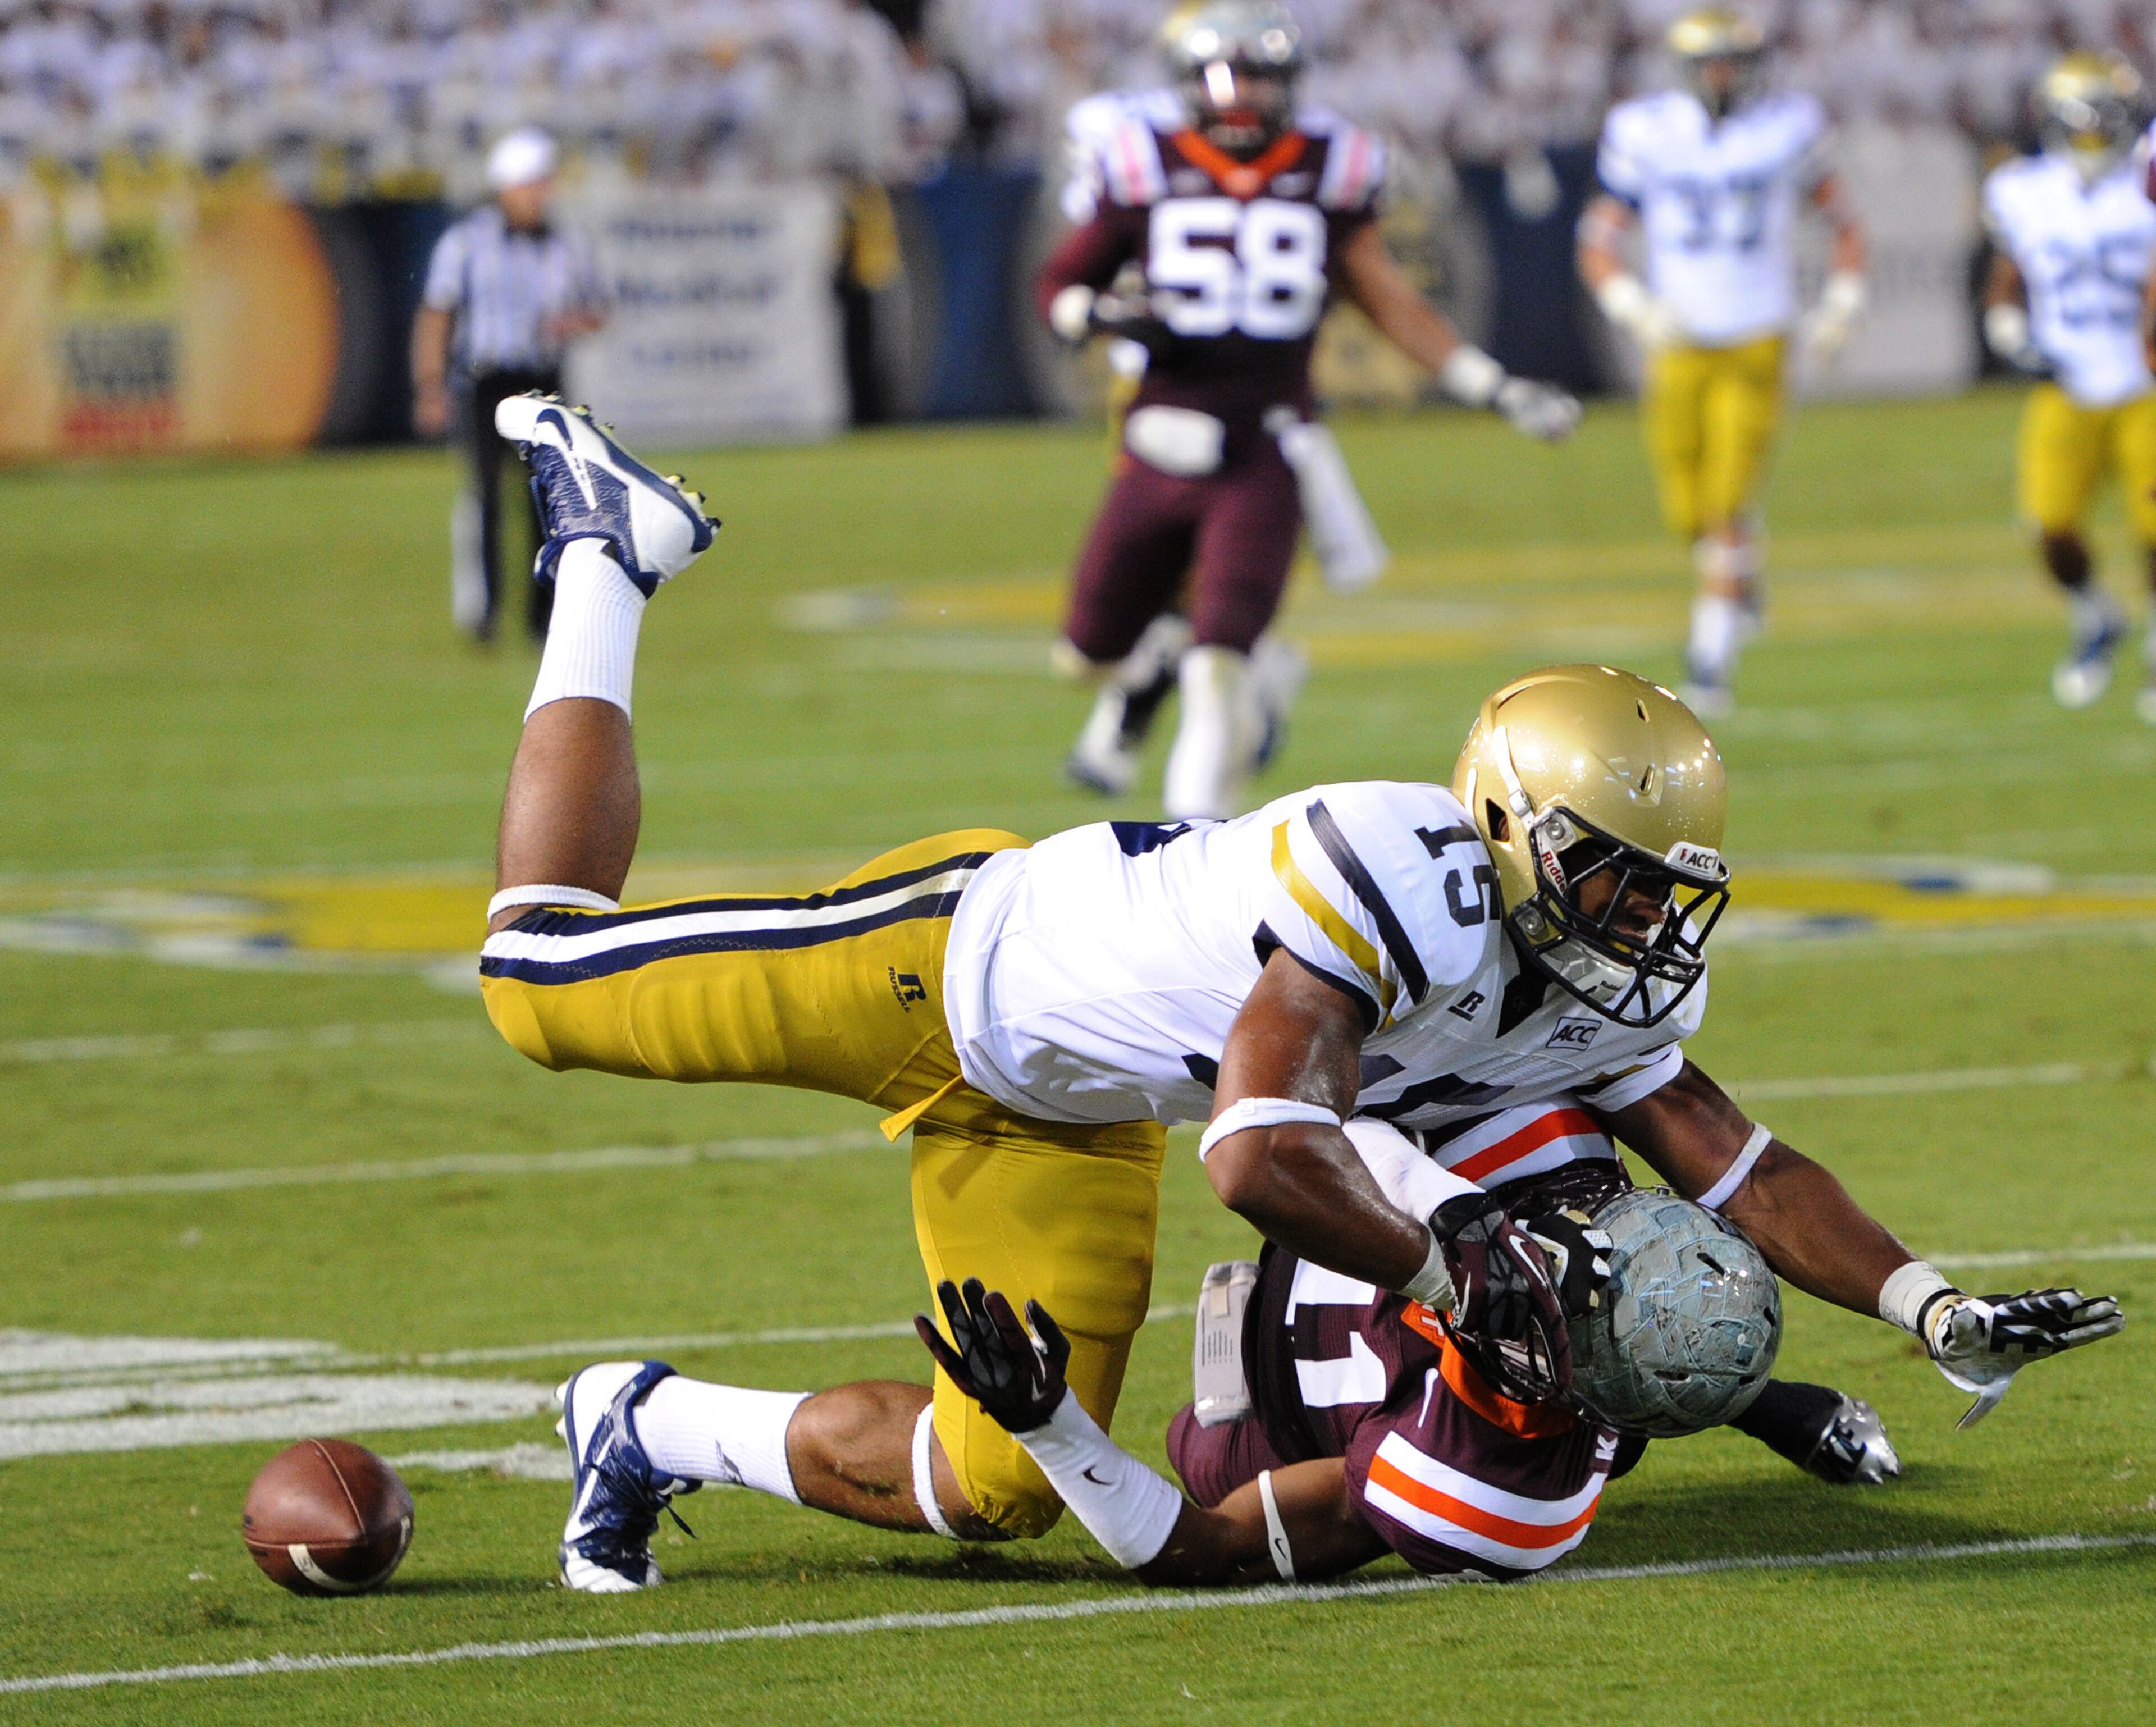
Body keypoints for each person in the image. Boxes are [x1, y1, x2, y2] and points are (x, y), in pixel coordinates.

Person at [474, 392, 2121, 1591]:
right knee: (531, 978)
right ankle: (611, 563)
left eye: (1663, 879)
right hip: (946, 963)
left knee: (995, 1484)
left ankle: (643, 1421)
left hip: (1067, 1106)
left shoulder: (1581, 966)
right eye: (1615, 868)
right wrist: (1450, 1253)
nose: (1642, 912)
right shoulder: (1402, 859)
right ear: (1506, 824)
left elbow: (1726, 1154)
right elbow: (1258, 1141)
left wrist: (1922, 1305)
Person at [551, 1139, 1899, 1591]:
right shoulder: (1548, 1170)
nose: (1580, 1245)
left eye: (1578, 1309)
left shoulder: (1492, 1484)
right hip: (1305, 1217)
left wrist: (1055, 1423)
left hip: (1259, 1413)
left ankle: (642, 1418)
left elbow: (1190, 1545)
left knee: (987, 1483)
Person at [1037, 0, 1582, 821]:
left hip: (1265, 448)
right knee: (1081, 657)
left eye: (1261, 76)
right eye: (1228, 77)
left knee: (1217, 664)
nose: (1243, 97)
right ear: (1188, 85)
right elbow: (1061, 283)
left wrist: (1492, 385)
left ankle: (1198, 853)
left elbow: (1388, 299)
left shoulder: (1333, 164)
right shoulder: (1141, 160)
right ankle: (1178, 669)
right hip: (1157, 441)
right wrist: (1099, 317)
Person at [1577, 8, 1868, 718]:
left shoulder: (1788, 127)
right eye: (1712, 62)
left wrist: (1841, 300)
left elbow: (1844, 221)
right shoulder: (1645, 130)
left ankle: (1710, 656)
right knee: (1685, 506)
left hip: (1757, 336)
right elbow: (1600, 234)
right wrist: (1630, 304)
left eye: (1734, 62)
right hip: (1677, 339)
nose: (1724, 76)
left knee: (1724, 502)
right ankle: (1741, 573)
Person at [1985, 53, 2156, 718]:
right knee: (2051, 528)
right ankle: (2098, 616)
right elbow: (2008, 274)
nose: (2098, 136)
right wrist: (2006, 327)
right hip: (2066, 383)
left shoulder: (2144, 184)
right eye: (2086, 123)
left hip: (2144, 387)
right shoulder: (2021, 189)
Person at [412, 126, 607, 642]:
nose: (539, 195)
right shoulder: (467, 242)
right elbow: (437, 315)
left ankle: (544, 616)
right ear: (507, 187)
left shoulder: (569, 241)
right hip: (484, 380)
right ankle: (484, 613)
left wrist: (572, 323)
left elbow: (597, 310)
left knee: (547, 501)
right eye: (531, 184)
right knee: (484, 498)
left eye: (544, 184)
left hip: (542, 380)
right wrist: (430, 386)